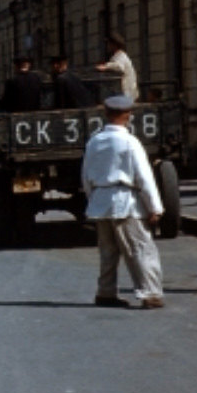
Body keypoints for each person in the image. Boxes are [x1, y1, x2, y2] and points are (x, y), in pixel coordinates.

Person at [82, 95, 164, 309]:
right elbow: (144, 177)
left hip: (100, 202)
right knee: (140, 248)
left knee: (108, 252)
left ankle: (106, 292)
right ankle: (150, 293)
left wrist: (94, 200)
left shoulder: (94, 141)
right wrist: (154, 207)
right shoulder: (130, 142)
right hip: (125, 201)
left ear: (106, 115)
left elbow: (86, 176)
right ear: (128, 116)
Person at [95, 32, 138, 102]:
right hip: (125, 93)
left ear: (114, 45)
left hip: (126, 93)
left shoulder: (121, 56)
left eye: (109, 44)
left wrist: (106, 66)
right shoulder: (118, 56)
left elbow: (119, 66)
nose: (107, 46)